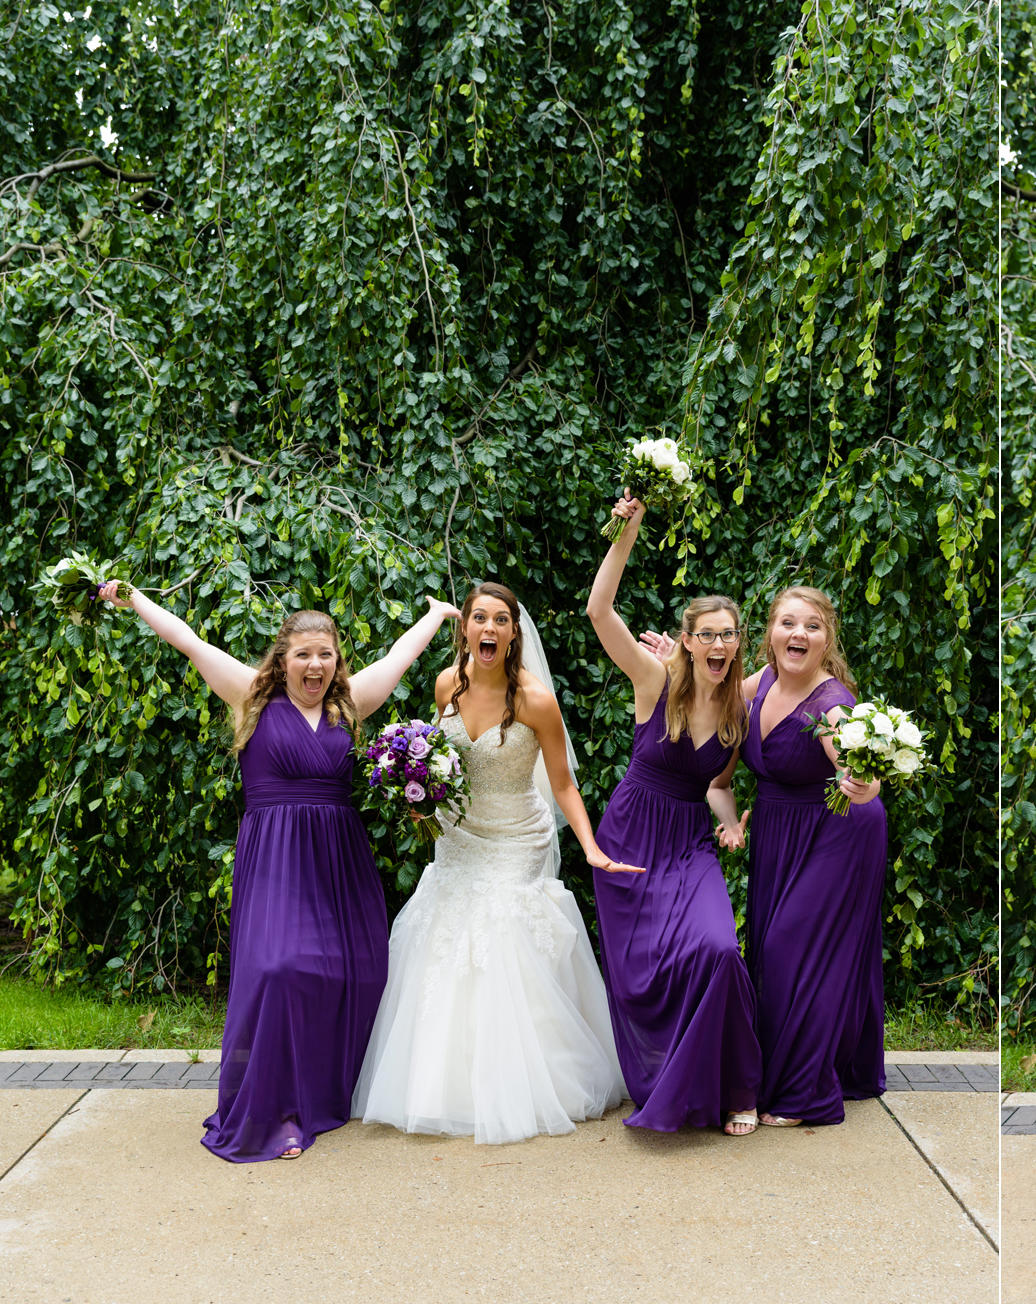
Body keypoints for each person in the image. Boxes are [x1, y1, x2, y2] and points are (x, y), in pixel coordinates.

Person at [99, 582, 459, 1162]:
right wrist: (133, 599)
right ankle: (280, 1110)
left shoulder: (349, 706)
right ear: (282, 658)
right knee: (279, 970)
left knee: (359, 973)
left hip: (339, 860)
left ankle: (326, 1095)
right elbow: (186, 640)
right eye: (303, 655)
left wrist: (436, 617)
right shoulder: (250, 698)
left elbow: (399, 656)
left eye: (326, 655)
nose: (315, 665)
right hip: (276, 858)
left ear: (337, 660)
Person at [351, 581, 631, 1145]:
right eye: (480, 618)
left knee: (499, 923)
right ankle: (445, 1082)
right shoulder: (445, 685)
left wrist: (593, 847)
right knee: (441, 925)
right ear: (465, 629)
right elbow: (441, 763)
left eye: (501, 620)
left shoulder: (534, 700)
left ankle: (523, 1078)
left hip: (516, 837)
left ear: (512, 634)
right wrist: (420, 796)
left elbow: (563, 785)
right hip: (459, 835)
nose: (489, 629)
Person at [585, 494, 762, 1135]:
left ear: (738, 644)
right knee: (642, 974)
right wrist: (625, 530)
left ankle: (737, 1084)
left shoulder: (742, 709)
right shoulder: (654, 682)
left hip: (689, 842)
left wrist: (733, 819)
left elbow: (715, 784)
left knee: (717, 948)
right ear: (687, 641)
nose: (717, 643)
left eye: (728, 634)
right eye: (705, 633)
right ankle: (666, 1079)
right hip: (632, 833)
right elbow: (599, 611)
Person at [737, 586, 887, 1126]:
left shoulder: (832, 704)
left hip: (841, 827)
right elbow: (705, 706)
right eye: (788, 623)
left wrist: (862, 780)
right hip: (780, 828)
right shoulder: (760, 682)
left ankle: (804, 1092)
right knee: (779, 952)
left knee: (788, 949)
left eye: (813, 626)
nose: (798, 634)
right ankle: (812, 1065)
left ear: (828, 640)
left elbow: (849, 757)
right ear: (770, 633)